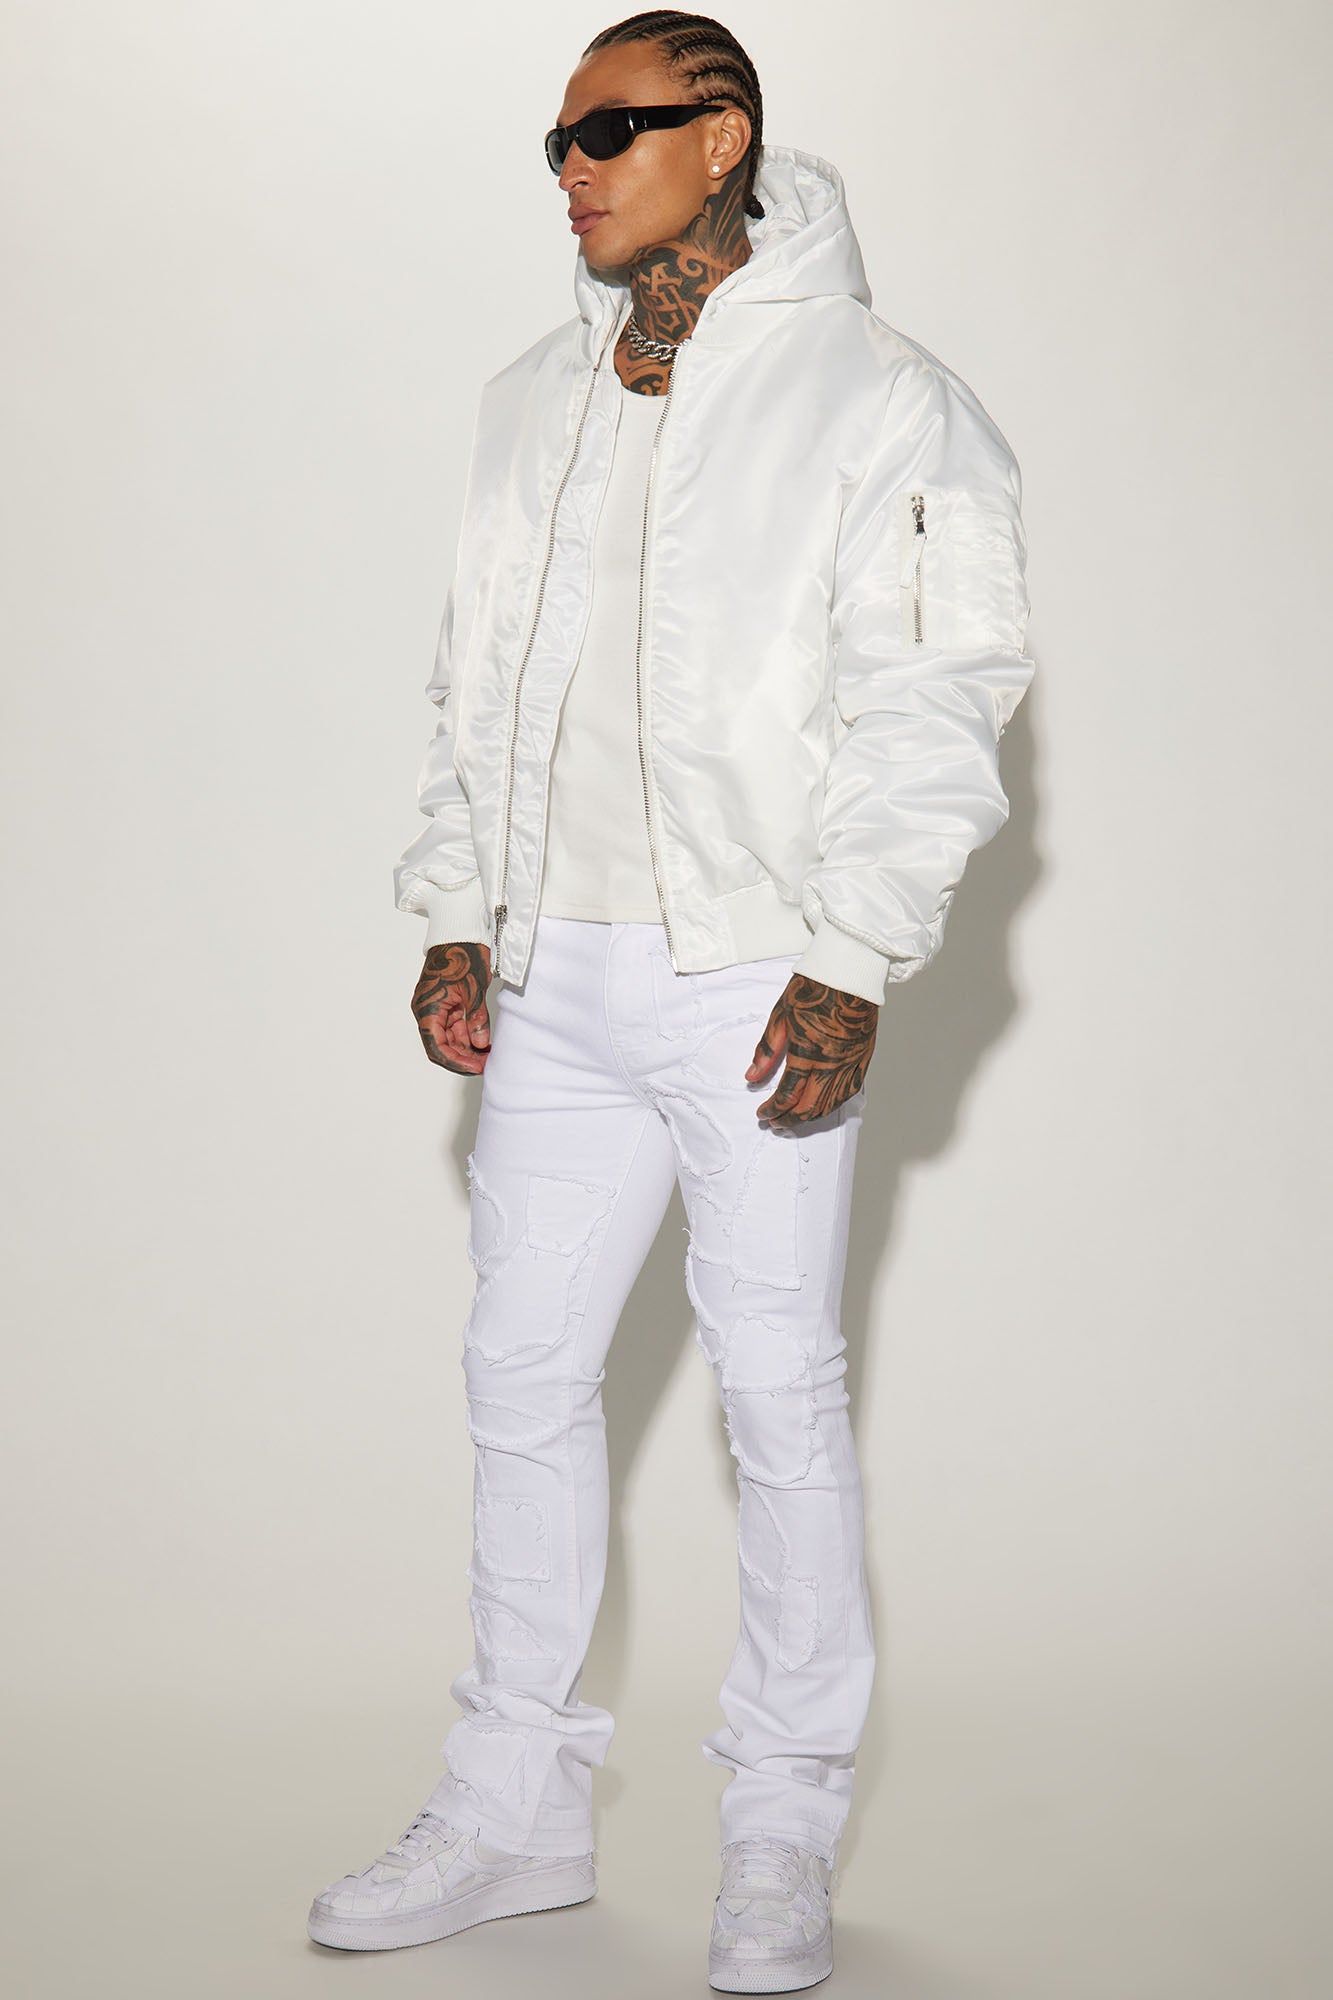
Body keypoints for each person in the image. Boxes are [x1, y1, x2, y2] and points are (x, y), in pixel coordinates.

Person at [307, 11, 1035, 1992]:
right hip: (552, 975)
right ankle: (513, 1810)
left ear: (721, 137)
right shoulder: (528, 397)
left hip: (753, 973)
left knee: (776, 1390)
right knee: (521, 1378)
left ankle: (781, 1821)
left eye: (612, 129)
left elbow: (936, 701)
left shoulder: (885, 396)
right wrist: (457, 907)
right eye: (555, 139)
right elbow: (469, 685)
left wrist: (852, 953)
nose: (573, 166)